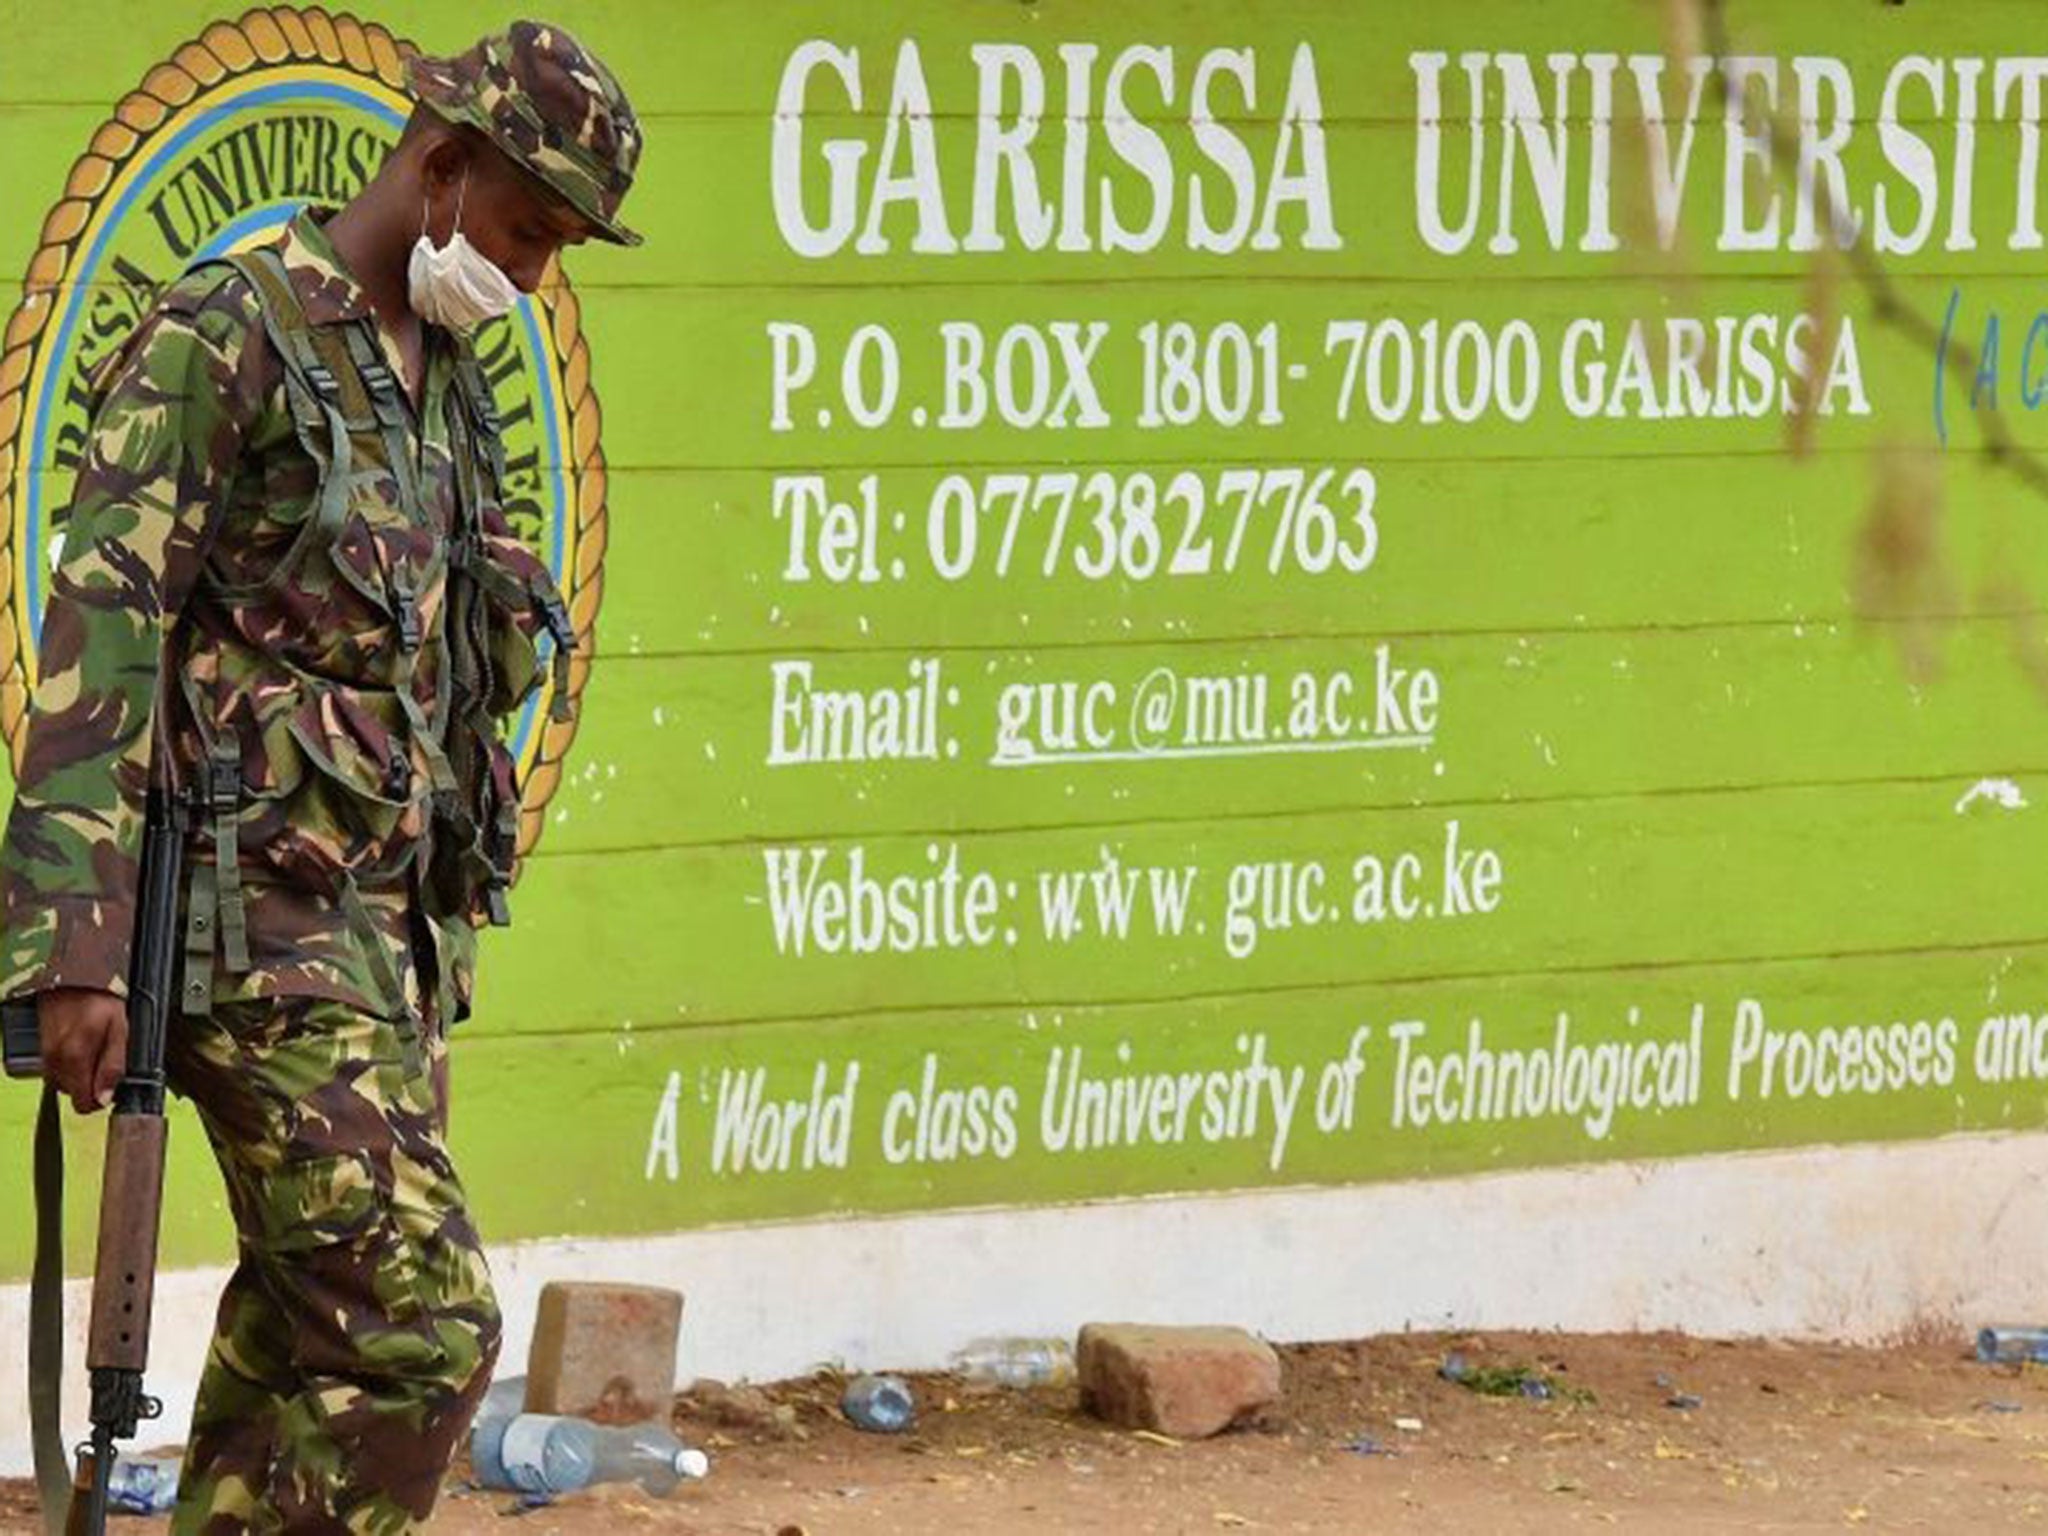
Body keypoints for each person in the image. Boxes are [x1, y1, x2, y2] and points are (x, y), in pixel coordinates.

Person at [0, 19, 641, 1530]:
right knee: (424, 1327)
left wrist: (445, 926)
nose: (532, 273)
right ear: (441, 166)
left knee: (311, 1336)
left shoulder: (450, 378)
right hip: (245, 930)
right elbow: (107, 630)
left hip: (382, 941)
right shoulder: (226, 329)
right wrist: (76, 951)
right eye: (527, 228)